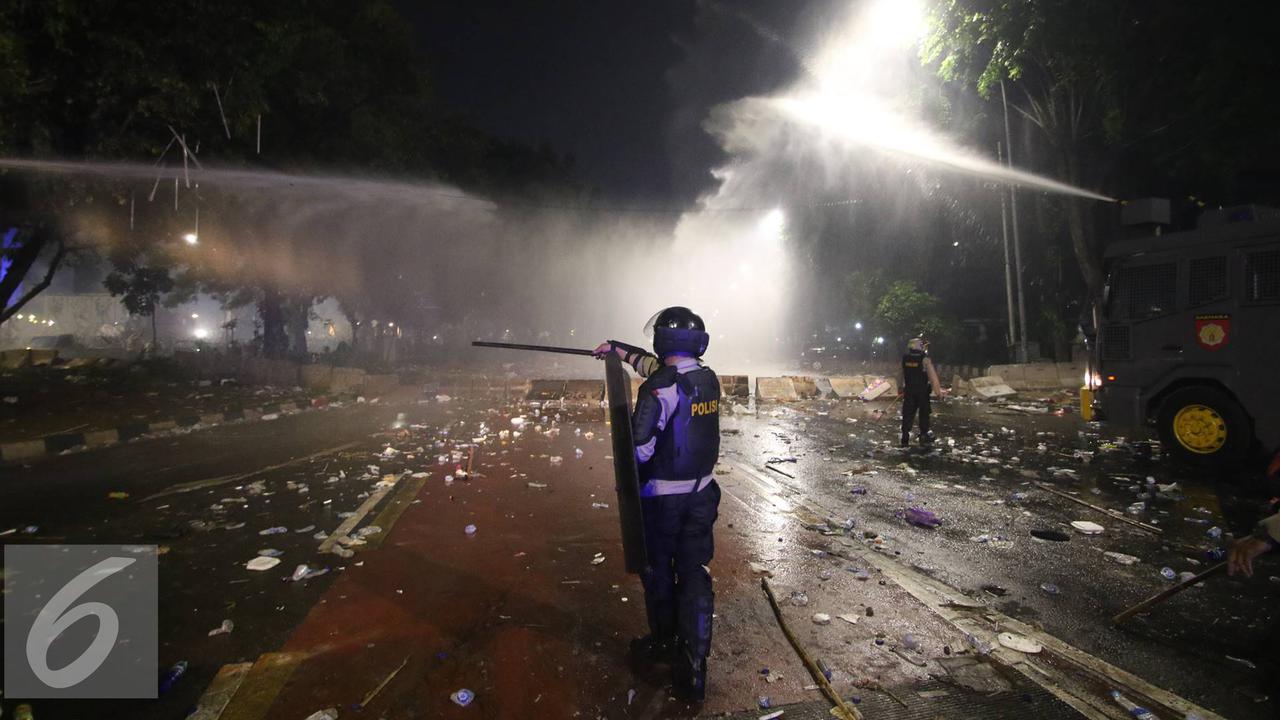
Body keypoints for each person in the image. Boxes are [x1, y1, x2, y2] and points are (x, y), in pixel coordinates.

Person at [593, 306, 721, 703]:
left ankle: (664, 642)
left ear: (664, 340)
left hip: (663, 500)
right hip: (703, 494)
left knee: (658, 573)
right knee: (694, 570)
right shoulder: (707, 378)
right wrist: (618, 350)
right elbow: (657, 367)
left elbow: (641, 449)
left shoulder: (657, 389)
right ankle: (695, 661)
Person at [900, 336, 943, 447]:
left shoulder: (905, 358)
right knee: (924, 414)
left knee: (907, 413)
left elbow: (902, 375)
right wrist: (938, 392)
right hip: (922, 392)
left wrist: (902, 388)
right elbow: (932, 377)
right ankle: (924, 435)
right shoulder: (924, 359)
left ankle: (905, 435)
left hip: (909, 391)